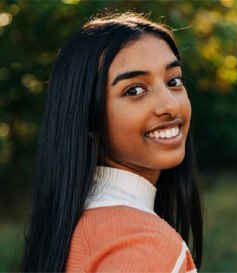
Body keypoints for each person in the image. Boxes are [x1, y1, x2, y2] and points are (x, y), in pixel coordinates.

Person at [22, 12, 203, 272]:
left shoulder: (74, 228)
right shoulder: (145, 247)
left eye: (174, 81)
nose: (171, 105)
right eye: (134, 90)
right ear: (87, 118)